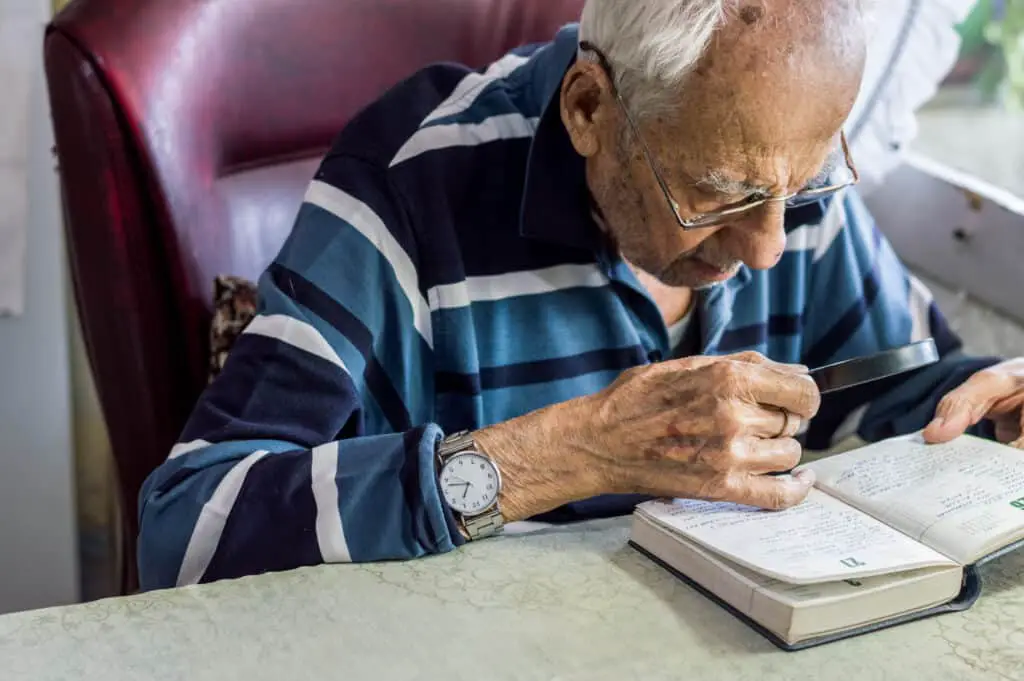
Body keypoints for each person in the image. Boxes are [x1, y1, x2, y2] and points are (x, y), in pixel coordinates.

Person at [136, 0, 1024, 591]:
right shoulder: (407, 190)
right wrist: (569, 452)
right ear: (590, 109)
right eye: (717, 194)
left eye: (808, 182)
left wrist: (996, 405)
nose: (766, 247)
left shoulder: (779, 177)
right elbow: (187, 531)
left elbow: (904, 394)